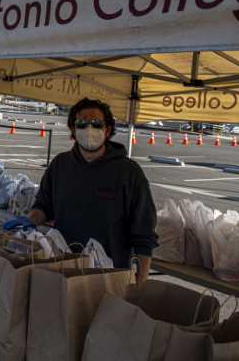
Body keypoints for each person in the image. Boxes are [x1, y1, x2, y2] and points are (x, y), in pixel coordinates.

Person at [27, 97, 158, 283]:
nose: (89, 129)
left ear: (108, 130)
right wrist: (29, 220)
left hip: (111, 276)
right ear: (73, 130)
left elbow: (144, 234)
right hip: (64, 270)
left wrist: (141, 281)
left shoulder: (129, 173)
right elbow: (44, 206)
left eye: (97, 124)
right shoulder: (60, 165)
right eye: (81, 124)